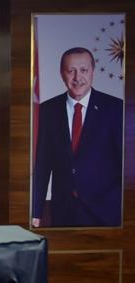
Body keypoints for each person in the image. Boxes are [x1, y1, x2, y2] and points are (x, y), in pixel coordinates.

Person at [31, 47, 123, 227]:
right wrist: (36, 211)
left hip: (107, 213)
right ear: (62, 74)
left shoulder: (115, 108)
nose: (77, 77)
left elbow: (125, 165)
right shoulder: (48, 110)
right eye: (71, 70)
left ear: (93, 72)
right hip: (64, 211)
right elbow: (42, 164)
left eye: (83, 70)